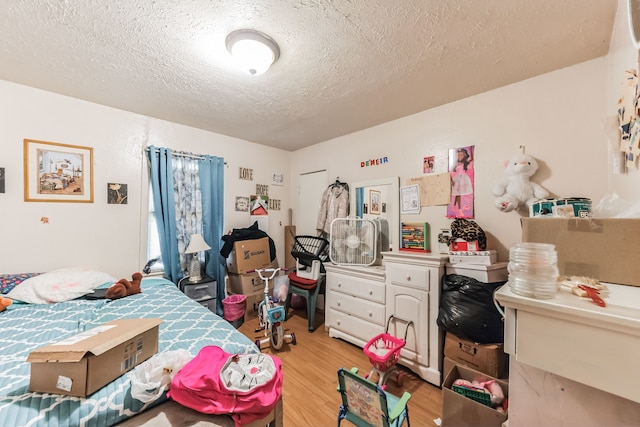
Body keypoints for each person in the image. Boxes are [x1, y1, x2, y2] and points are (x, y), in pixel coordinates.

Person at [451, 148, 473, 215]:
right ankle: (459, 209)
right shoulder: (456, 163)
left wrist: (471, 150)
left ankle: (456, 206)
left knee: (458, 194)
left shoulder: (465, 162)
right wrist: (451, 180)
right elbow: (450, 172)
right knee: (458, 194)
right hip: (457, 180)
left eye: (461, 155)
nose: (459, 156)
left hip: (463, 179)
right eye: (458, 155)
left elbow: (472, 159)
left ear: (464, 155)